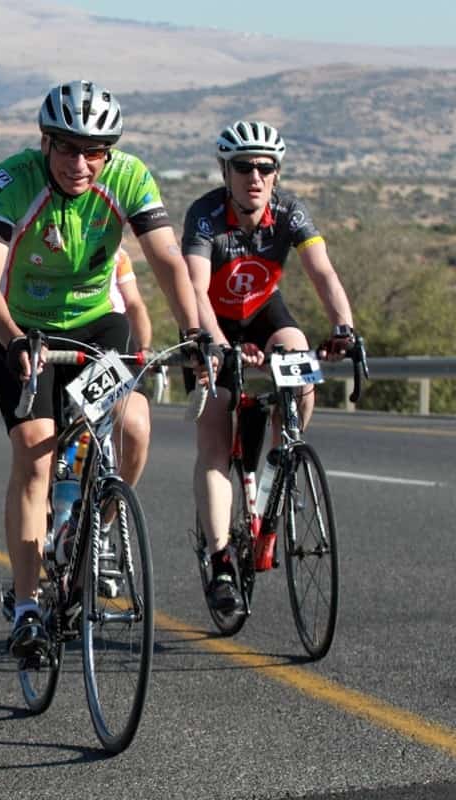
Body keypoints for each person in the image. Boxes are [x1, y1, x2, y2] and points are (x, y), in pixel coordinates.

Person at [0, 80, 206, 659]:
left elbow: (167, 259)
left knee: (134, 425)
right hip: (20, 329)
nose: (80, 163)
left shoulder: (128, 176)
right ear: (45, 143)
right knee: (36, 453)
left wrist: (195, 333)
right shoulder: (12, 180)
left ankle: (90, 528)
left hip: (97, 325)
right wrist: (14, 340)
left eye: (94, 151)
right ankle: (27, 608)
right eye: (68, 148)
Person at [183, 120, 356, 612]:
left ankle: (281, 468)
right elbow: (195, 290)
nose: (254, 176)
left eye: (265, 167)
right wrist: (219, 347)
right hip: (211, 324)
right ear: (226, 171)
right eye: (243, 167)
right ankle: (220, 561)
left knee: (299, 361)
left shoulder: (289, 212)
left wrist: (344, 327)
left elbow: (322, 272)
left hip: (262, 312)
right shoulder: (205, 215)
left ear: (276, 173)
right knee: (216, 437)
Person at [108, 248, 153, 488]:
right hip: (60, 340)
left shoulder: (119, 254)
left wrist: (144, 348)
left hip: (111, 345)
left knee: (134, 427)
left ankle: (113, 506)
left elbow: (134, 304)